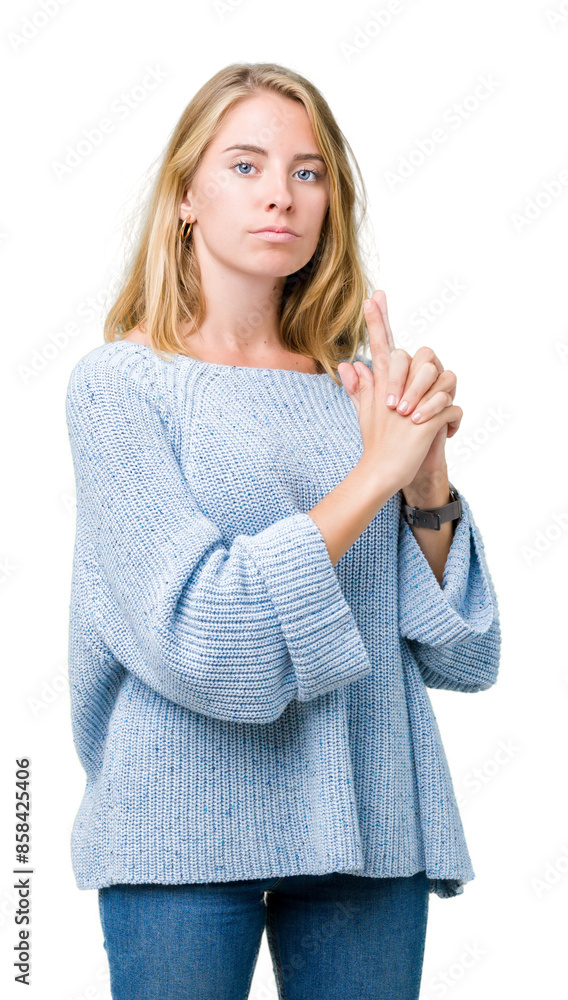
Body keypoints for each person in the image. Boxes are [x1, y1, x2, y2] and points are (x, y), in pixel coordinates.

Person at [65, 62, 501, 1000]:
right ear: (186, 194)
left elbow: (461, 658)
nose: (282, 195)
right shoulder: (119, 388)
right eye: (247, 165)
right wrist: (373, 470)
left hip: (370, 815)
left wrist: (425, 483)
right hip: (178, 830)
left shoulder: (354, 393)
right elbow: (206, 637)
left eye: (309, 172)